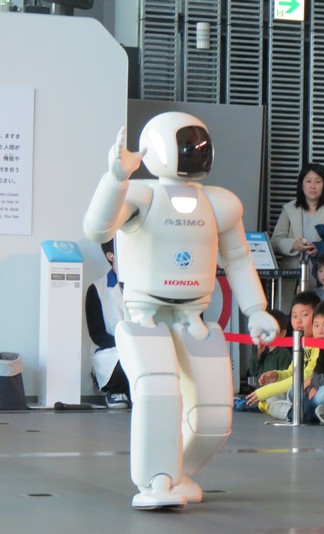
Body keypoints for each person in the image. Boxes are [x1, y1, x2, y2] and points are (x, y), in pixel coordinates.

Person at [83, 113, 279, 509]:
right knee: (158, 393)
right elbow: (97, 228)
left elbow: (239, 259)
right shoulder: (140, 195)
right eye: (186, 144)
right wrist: (116, 180)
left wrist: (256, 309)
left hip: (195, 317)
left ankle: (177, 472)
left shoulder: (220, 203)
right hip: (144, 315)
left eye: (199, 144)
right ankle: (155, 481)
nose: (194, 151)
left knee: (213, 416)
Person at [270, 162, 324, 311]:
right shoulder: (289, 209)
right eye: (308, 181)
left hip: (323, 277)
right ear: (301, 185)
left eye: (318, 181)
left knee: (320, 318)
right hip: (292, 275)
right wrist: (294, 245)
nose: (313, 186)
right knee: (289, 317)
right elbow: (275, 241)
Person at [244, 292, 321, 416]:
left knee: (284, 393)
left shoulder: (320, 342)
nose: (298, 321)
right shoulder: (301, 342)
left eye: (304, 315)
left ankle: (293, 412)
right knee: (273, 396)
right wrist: (276, 376)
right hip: (298, 389)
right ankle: (292, 412)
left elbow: (305, 375)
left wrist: (266, 391)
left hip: (312, 388)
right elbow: (292, 372)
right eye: (294, 316)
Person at [85, 239, 131, 409]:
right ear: (111, 256)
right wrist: (126, 344)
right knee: (122, 359)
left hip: (144, 343)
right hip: (112, 349)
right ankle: (116, 390)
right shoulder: (97, 289)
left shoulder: (145, 284)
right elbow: (97, 334)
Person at [233, 310, 291, 413]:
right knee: (234, 402)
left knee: (240, 405)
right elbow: (253, 372)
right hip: (259, 393)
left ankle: (263, 405)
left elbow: (285, 380)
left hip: (270, 395)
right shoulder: (264, 351)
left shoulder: (283, 353)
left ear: (282, 333)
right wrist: (258, 354)